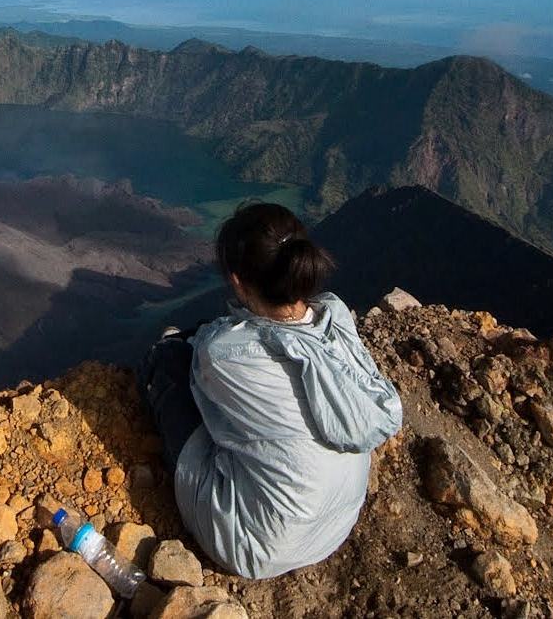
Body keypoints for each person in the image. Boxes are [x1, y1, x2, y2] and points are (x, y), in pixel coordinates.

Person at [137, 201, 403, 580]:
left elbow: (206, 374)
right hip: (335, 524)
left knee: (165, 362)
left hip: (255, 545)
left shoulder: (226, 354)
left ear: (237, 282)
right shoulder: (337, 317)